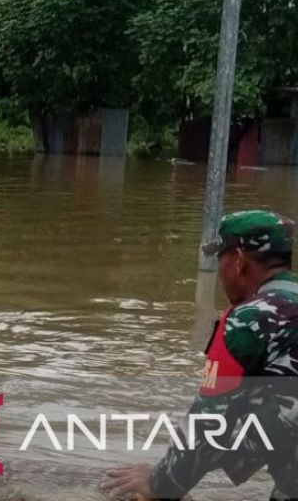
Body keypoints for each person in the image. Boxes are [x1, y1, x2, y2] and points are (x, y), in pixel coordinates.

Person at [101, 210, 298, 500]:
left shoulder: (247, 319)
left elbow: (210, 420)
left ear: (239, 260)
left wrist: (160, 483)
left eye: (221, 257)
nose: (219, 270)